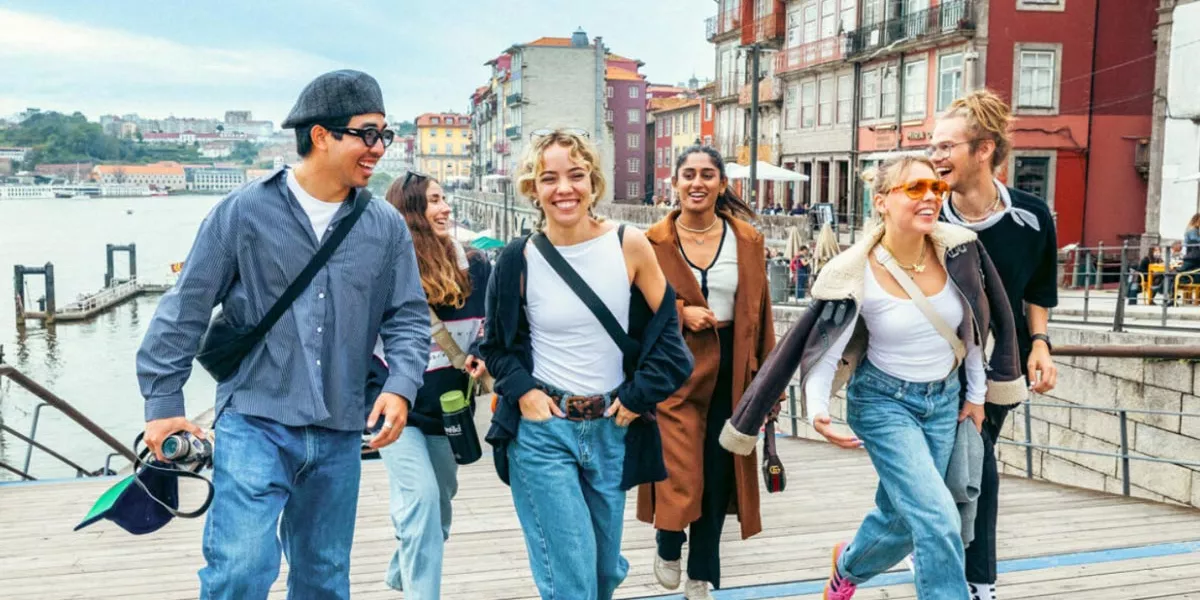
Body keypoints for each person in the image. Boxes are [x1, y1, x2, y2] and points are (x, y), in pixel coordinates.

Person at [135, 70, 430, 599]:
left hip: (341, 428)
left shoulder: (384, 225)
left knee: (323, 578)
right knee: (240, 571)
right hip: (255, 421)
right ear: (321, 136)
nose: (379, 148)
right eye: (368, 133)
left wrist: (401, 384)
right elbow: (186, 308)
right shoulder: (243, 212)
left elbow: (407, 316)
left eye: (385, 135)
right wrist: (162, 403)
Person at [720, 154, 1027, 600]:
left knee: (902, 518)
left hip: (944, 401)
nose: (930, 198)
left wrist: (977, 396)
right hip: (884, 403)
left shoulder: (958, 249)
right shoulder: (854, 270)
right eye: (915, 189)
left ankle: (847, 566)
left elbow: (975, 331)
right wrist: (819, 411)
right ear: (882, 202)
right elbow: (823, 346)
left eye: (936, 189)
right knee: (938, 516)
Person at [480, 129, 693, 600]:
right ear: (532, 189)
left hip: (611, 427)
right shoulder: (517, 260)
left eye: (576, 175)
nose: (564, 189)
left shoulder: (629, 244)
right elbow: (494, 347)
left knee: (603, 576)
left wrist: (637, 399)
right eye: (549, 178)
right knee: (571, 582)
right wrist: (526, 393)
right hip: (542, 432)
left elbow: (670, 342)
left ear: (593, 182)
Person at [930, 89, 1059, 600]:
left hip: (1003, 368)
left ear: (983, 150)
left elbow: (1040, 290)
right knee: (966, 464)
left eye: (946, 146)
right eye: (931, 146)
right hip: (938, 365)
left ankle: (955, 568)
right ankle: (974, 580)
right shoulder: (927, 212)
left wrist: (1041, 344)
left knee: (966, 464)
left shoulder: (1031, 215)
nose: (935, 156)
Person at [637, 146, 775, 600]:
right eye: (689, 174)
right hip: (674, 368)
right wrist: (680, 314)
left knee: (718, 472)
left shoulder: (747, 240)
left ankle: (702, 572)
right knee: (681, 467)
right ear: (673, 183)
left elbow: (761, 313)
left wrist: (770, 384)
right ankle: (668, 539)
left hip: (733, 369)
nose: (698, 182)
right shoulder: (651, 242)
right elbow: (633, 309)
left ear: (721, 184)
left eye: (708, 174)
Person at [376, 173, 491, 598]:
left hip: (450, 408)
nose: (445, 208)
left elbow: (491, 324)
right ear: (410, 214)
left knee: (440, 501)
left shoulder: (475, 265)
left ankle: (402, 568)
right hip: (395, 408)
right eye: (432, 202)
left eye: (444, 199)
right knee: (421, 498)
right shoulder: (386, 271)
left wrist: (483, 351)